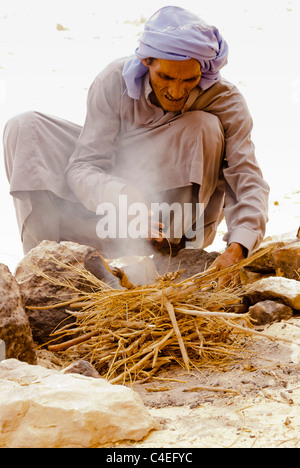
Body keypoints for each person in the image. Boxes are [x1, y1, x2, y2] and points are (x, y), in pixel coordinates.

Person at [3, 6, 269, 280]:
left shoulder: (226, 101)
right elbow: (83, 166)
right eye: (165, 77)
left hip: (175, 225)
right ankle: (44, 271)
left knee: (203, 125)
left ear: (203, 70)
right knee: (25, 126)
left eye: (189, 79)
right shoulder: (112, 81)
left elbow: (247, 178)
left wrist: (239, 247)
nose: (176, 92)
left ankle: (170, 263)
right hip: (109, 211)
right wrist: (125, 199)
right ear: (147, 62)